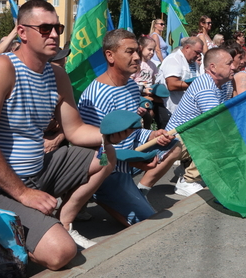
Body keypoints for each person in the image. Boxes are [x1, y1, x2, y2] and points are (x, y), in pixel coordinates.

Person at [0, 0, 128, 268]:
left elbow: (74, 130)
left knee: (105, 155)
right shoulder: (1, 68)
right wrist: (22, 193)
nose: (54, 35)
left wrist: (108, 136)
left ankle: (63, 221)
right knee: (61, 253)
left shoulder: (56, 74)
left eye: (57, 28)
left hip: (37, 173)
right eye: (44, 28)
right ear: (22, 32)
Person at [78, 29, 178, 222]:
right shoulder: (97, 95)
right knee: (146, 224)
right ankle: (99, 193)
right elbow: (93, 149)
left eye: (137, 52)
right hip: (107, 170)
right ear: (110, 55)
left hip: (129, 161)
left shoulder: (132, 87)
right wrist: (133, 161)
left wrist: (152, 135)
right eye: (129, 52)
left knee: (173, 145)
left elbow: (132, 132)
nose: (136, 57)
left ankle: (137, 192)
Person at [165, 47, 234, 196]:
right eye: (229, 63)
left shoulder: (224, 84)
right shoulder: (206, 86)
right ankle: (188, 181)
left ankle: (185, 169)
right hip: (172, 140)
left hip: (187, 137)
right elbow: (217, 123)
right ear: (213, 67)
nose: (233, 67)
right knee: (218, 137)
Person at [158, 36, 203, 115]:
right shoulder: (174, 59)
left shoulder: (194, 63)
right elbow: (171, 85)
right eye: (197, 52)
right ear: (187, 47)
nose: (199, 55)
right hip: (171, 110)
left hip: (187, 110)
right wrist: (196, 85)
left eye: (200, 53)